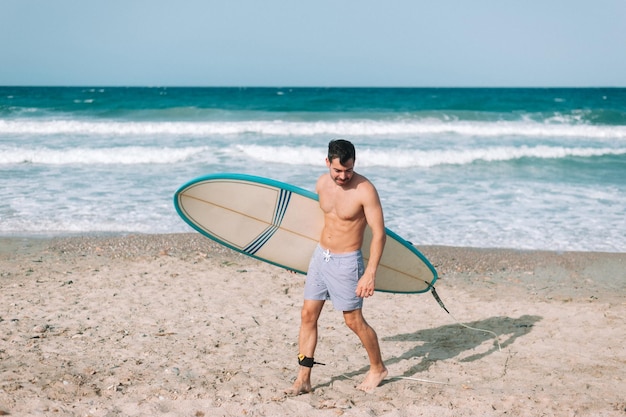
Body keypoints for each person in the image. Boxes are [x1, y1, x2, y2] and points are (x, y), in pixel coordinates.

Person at [286, 139, 388, 395]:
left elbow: (379, 234)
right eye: (338, 171)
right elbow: (314, 221)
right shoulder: (322, 183)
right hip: (321, 257)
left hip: (347, 262)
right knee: (307, 315)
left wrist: (370, 272)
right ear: (327, 163)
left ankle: (378, 368)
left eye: (349, 170)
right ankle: (304, 377)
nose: (343, 176)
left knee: (353, 321)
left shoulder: (365, 190)